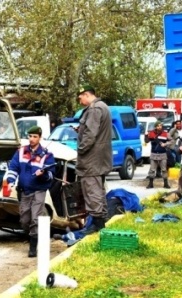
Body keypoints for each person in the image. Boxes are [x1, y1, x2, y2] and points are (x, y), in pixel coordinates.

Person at [5, 126, 55, 257]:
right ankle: (32, 236)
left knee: (35, 218)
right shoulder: (21, 152)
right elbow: (13, 167)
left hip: (39, 190)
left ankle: (33, 247)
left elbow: (51, 175)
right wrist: (10, 181)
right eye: (30, 136)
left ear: (40, 137)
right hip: (24, 191)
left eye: (34, 136)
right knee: (24, 220)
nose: (32, 139)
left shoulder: (47, 155)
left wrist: (43, 174)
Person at [75, 85, 113, 235]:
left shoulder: (94, 109)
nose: (80, 100)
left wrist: (81, 148)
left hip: (92, 158)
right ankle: (100, 222)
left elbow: (91, 134)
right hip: (100, 157)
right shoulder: (103, 107)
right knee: (98, 189)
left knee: (92, 190)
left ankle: (97, 225)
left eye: (80, 97)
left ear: (86, 95)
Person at [146, 121, 171, 189]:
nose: (159, 127)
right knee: (152, 170)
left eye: (160, 126)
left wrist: (165, 144)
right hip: (154, 154)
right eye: (158, 126)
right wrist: (146, 135)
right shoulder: (151, 133)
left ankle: (166, 184)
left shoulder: (165, 133)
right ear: (155, 126)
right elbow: (146, 141)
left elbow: (171, 141)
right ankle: (150, 184)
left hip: (162, 154)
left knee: (164, 169)